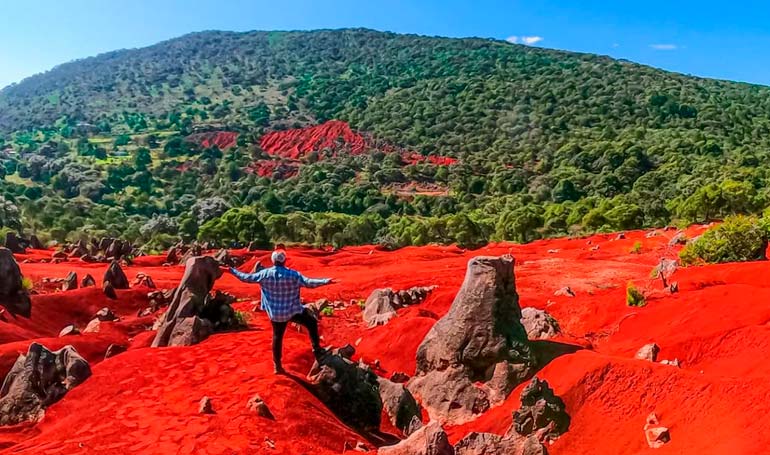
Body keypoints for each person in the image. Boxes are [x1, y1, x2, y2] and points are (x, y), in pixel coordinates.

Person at [229, 249, 333, 374]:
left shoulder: (264, 274)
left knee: (277, 337)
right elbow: (309, 283)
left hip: (275, 314)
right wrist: (326, 281)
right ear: (285, 261)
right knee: (311, 322)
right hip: (292, 311)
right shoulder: (294, 275)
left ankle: (277, 366)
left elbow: (246, 278)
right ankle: (317, 350)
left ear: (273, 261)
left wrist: (230, 270)